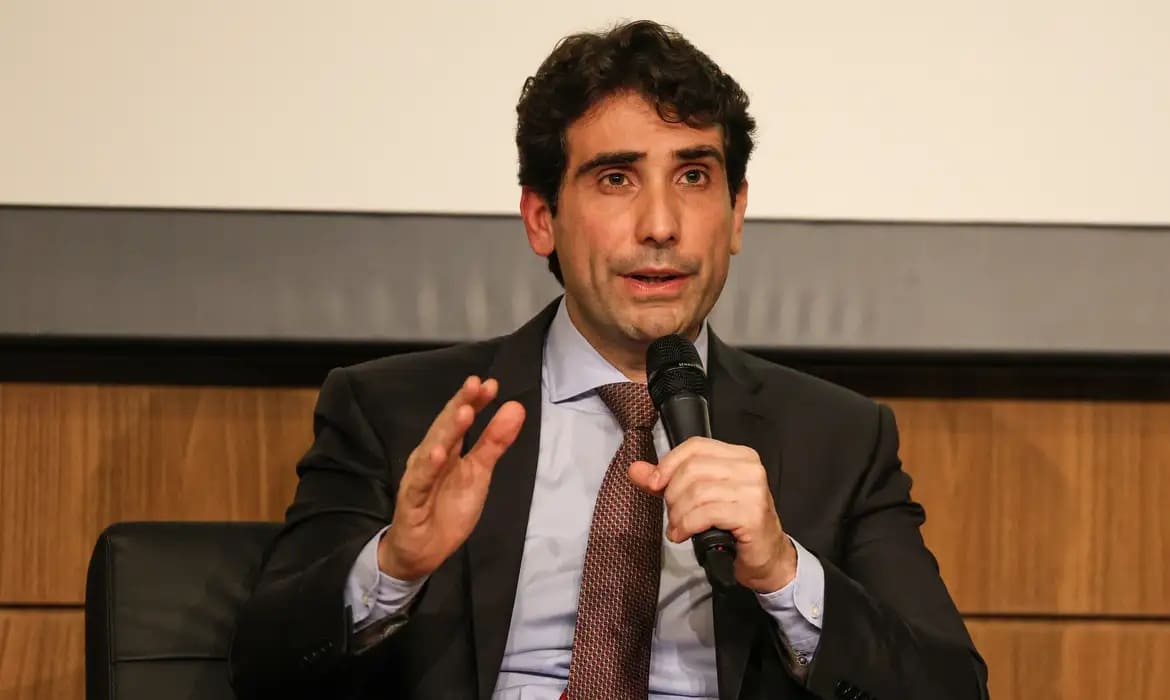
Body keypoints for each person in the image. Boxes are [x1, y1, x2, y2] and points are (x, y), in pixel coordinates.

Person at [229, 19, 988, 700]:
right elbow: (262, 667)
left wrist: (783, 574)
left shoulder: (839, 438)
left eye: (694, 177)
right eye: (616, 179)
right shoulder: (397, 412)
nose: (660, 225)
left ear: (736, 215)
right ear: (542, 219)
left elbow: (953, 689)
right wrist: (394, 567)